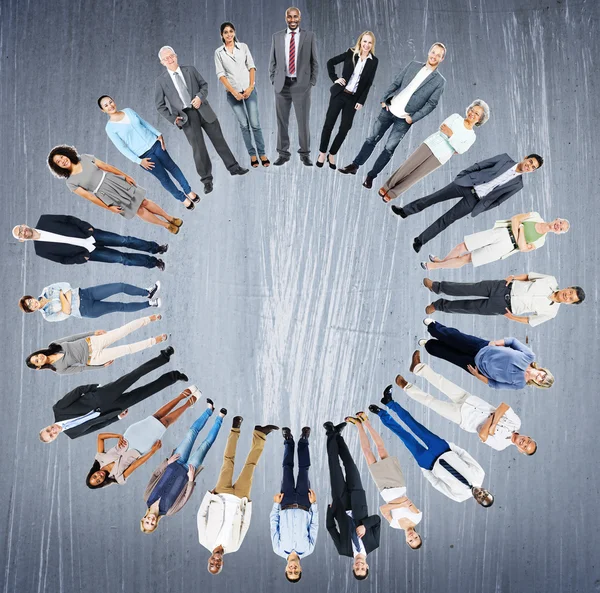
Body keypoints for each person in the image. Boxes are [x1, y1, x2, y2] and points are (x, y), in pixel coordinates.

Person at [339, 43, 447, 189]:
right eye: (433, 52)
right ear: (429, 52)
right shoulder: (413, 65)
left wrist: (413, 118)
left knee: (389, 149)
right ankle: (355, 165)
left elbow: (431, 104)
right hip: (388, 110)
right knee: (371, 139)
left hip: (404, 119)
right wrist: (384, 99)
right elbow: (396, 82)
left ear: (442, 59)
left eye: (438, 55)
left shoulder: (439, 81)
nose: (434, 56)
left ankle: (371, 177)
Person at [392, 153, 543, 253]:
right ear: (525, 157)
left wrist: (482, 206)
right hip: (466, 184)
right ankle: (405, 211)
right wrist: (464, 174)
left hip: (475, 201)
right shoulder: (505, 159)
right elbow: (481, 165)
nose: (529, 166)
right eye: (530, 162)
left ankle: (420, 240)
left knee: (447, 220)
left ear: (532, 171)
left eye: (533, 167)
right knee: (433, 198)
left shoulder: (518, 185)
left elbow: (498, 201)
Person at [369, 390, 494, 506]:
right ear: (486, 490)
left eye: (481, 498)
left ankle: (381, 413)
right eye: (485, 494)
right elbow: (464, 454)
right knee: (414, 425)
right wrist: (449, 446)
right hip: (442, 449)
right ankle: (390, 402)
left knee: (404, 436)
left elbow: (438, 484)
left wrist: (425, 469)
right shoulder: (479, 474)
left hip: (429, 463)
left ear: (478, 501)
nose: (481, 494)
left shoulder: (459, 496)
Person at [397, 351, 536, 453]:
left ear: (520, 450)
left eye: (524, 447)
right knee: (442, 382)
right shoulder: (516, 422)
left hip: (464, 418)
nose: (524, 443)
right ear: (528, 436)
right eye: (528, 441)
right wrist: (492, 424)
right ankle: (418, 367)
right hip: (472, 401)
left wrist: (493, 420)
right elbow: (504, 406)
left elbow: (482, 434)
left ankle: (406, 386)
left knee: (431, 402)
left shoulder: (500, 445)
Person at [155, 46, 248, 196]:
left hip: (203, 109)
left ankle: (234, 168)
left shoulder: (190, 70)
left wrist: (199, 97)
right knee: (199, 149)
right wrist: (174, 119)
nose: (170, 60)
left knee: (219, 140)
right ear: (162, 62)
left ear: (176, 56)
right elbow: (159, 105)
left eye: (171, 56)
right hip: (186, 117)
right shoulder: (161, 81)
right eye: (166, 59)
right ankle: (207, 180)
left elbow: (204, 85)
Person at [39, 347, 186, 442]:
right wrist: (117, 417)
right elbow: (97, 426)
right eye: (51, 435)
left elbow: (76, 392)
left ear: (47, 426)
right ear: (54, 438)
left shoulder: (58, 409)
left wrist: (96, 387)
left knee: (134, 375)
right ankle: (174, 376)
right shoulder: (73, 434)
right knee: (144, 393)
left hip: (102, 395)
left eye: (48, 430)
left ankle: (163, 356)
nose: (52, 431)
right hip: (112, 410)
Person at [197, 417, 279, 575]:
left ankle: (235, 428)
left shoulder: (204, 540)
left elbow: (201, 516)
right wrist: (247, 504)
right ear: (222, 563)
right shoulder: (234, 546)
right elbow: (245, 525)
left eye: (213, 563)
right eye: (218, 564)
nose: (216, 561)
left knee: (228, 461)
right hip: (241, 499)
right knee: (251, 466)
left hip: (220, 495)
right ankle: (260, 434)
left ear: (209, 560)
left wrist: (209, 496)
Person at [47, 145, 182, 234]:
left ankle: (169, 217)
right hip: (105, 194)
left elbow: (106, 166)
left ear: (66, 154)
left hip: (114, 181)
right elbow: (91, 197)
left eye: (61, 157)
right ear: (58, 167)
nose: (62, 161)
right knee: (138, 211)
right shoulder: (71, 182)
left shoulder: (84, 158)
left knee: (144, 202)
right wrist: (109, 207)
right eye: (58, 162)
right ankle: (165, 225)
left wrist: (125, 175)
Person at [98, 95, 199, 211]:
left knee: (173, 167)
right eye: (106, 105)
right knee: (164, 178)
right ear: (103, 110)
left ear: (114, 101)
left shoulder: (128, 111)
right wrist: (139, 161)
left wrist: (158, 134)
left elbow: (143, 123)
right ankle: (182, 199)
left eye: (110, 102)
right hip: (144, 157)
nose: (110, 105)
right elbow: (122, 148)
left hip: (156, 145)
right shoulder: (110, 128)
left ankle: (188, 190)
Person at [86, 386, 199, 488]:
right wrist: (152, 451)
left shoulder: (99, 458)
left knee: (156, 416)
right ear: (101, 483)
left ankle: (182, 396)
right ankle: (188, 402)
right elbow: (136, 464)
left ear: (93, 473)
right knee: (165, 422)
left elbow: (100, 437)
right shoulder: (117, 478)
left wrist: (118, 436)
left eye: (94, 476)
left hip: (130, 436)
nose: (98, 477)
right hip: (141, 447)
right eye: (98, 481)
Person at [141, 401, 227, 533]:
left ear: (144, 518)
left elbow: (155, 475)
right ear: (155, 524)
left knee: (191, 433)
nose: (151, 520)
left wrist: (167, 462)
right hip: (189, 470)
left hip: (175, 460)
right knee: (205, 444)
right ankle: (219, 418)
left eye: (147, 521)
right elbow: (185, 497)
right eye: (152, 524)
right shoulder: (169, 510)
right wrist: (191, 479)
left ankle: (209, 411)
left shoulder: (147, 497)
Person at [379, 100, 490, 202]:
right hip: (430, 145)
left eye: (477, 114)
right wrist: (454, 142)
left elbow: (460, 149)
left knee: (416, 176)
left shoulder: (472, 136)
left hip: (440, 157)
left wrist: (450, 134)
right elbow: (442, 129)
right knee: (407, 167)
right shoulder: (456, 117)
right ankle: (387, 187)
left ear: (480, 119)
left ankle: (393, 193)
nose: (472, 113)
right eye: (472, 110)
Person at [345, 412, 422, 549]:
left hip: (383, 488)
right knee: (381, 450)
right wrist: (395, 505)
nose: (412, 537)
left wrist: (398, 504)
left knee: (367, 453)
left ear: (406, 541)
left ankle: (358, 425)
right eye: (416, 538)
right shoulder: (417, 517)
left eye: (411, 541)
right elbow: (406, 501)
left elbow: (385, 508)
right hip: (397, 483)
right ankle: (366, 421)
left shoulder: (395, 524)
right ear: (418, 534)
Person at [420, 319, 554, 390]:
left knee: (450, 355)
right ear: (542, 370)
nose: (540, 377)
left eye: (541, 381)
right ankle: (433, 326)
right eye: (543, 375)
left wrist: (477, 375)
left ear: (538, 383)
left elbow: (495, 384)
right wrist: (494, 343)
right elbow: (512, 341)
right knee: (455, 337)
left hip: (478, 368)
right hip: (484, 348)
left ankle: (428, 344)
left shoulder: (519, 384)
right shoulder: (530, 356)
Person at [324, 421, 380, 581]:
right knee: (349, 464)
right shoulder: (374, 544)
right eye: (363, 568)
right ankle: (338, 436)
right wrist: (364, 525)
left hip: (340, 503)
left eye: (357, 569)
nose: (360, 565)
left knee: (334, 466)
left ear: (353, 567)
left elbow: (330, 528)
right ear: (367, 566)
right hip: (358, 498)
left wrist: (330, 510)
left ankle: (330, 433)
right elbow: (377, 520)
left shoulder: (343, 550)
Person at [421, 212, 569, 270]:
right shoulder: (535, 215)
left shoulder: (541, 241)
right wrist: (519, 234)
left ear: (558, 233)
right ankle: (440, 263)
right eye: (560, 223)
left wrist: (521, 229)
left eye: (560, 229)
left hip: (505, 247)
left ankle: (435, 266)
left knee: (467, 258)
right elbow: (515, 219)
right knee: (463, 246)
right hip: (501, 232)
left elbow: (523, 248)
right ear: (557, 219)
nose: (558, 226)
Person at [316, 31, 378, 169]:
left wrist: (361, 101)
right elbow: (330, 62)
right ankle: (322, 153)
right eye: (364, 41)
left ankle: (331, 154)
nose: (366, 45)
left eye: (369, 42)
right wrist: (335, 79)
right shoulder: (351, 53)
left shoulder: (374, 61)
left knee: (345, 128)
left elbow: (369, 83)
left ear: (372, 44)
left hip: (353, 98)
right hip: (339, 94)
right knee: (329, 124)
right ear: (360, 41)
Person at [12, 215, 167, 270]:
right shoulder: (41, 250)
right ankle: (154, 263)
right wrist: (81, 259)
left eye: (21, 228)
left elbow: (68, 219)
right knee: (123, 259)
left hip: (90, 234)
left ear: (24, 225)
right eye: (20, 234)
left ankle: (156, 248)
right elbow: (62, 260)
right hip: (87, 253)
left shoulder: (44, 220)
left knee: (125, 240)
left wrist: (86, 227)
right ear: (21, 240)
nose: (23, 232)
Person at [26, 315, 166, 375]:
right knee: (126, 349)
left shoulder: (53, 345)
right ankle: (155, 341)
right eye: (37, 361)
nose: (40, 357)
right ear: (38, 366)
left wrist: (92, 332)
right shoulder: (59, 369)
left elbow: (73, 337)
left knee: (123, 330)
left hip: (92, 341)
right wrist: (99, 366)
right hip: (94, 358)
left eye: (37, 355)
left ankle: (149, 319)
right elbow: (81, 369)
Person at [423, 274, 585, 325]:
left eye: (571, 298)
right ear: (568, 287)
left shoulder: (551, 312)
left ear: (570, 303)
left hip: (504, 306)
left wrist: (511, 317)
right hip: (504, 287)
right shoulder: (550, 280)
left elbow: (530, 320)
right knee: (468, 288)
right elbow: (529, 276)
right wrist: (513, 278)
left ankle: (438, 306)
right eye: (570, 292)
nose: (568, 295)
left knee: (469, 306)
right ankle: (437, 287)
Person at [269, 7, 319, 167]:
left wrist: (311, 83)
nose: (292, 20)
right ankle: (283, 154)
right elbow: (273, 61)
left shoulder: (309, 36)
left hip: (301, 85)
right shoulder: (276, 37)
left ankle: (305, 154)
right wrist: (273, 79)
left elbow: (314, 61)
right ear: (285, 18)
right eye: (289, 17)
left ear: (300, 18)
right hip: (281, 85)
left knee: (303, 121)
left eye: (295, 17)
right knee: (281, 121)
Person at [215, 22, 269, 168]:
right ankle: (252, 155)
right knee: (244, 125)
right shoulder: (219, 53)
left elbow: (251, 67)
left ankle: (262, 153)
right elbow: (221, 75)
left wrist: (251, 87)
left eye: (231, 31)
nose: (229, 34)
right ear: (222, 35)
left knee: (255, 124)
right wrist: (233, 92)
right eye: (225, 32)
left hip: (249, 90)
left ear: (235, 32)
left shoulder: (243, 47)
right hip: (233, 94)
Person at [270, 427, 318, 582]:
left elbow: (274, 524)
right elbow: (314, 526)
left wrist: (276, 505)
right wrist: (314, 504)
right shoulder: (308, 549)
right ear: (300, 569)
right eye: (296, 572)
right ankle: (304, 440)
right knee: (304, 470)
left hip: (286, 502)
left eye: (290, 572)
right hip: (305, 503)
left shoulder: (278, 549)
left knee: (287, 469)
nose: (293, 569)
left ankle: (288, 441)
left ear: (285, 569)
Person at [19, 281, 161, 322]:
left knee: (120, 286)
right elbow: (67, 312)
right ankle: (150, 304)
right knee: (120, 306)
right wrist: (63, 295)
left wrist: (64, 299)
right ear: (32, 311)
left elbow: (67, 286)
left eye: (30, 301)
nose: (33, 304)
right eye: (30, 307)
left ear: (31, 298)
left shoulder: (46, 289)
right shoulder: (48, 315)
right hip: (87, 310)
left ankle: (148, 293)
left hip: (86, 293)